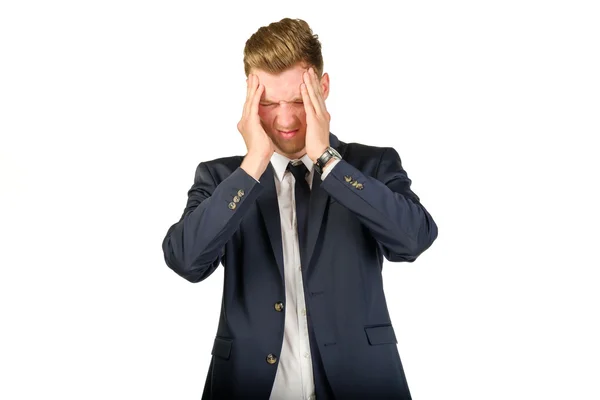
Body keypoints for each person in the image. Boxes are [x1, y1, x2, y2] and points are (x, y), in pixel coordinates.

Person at [162, 17, 438, 400]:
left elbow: (413, 240)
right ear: (249, 97)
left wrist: (328, 160)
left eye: (297, 100)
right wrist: (253, 165)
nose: (286, 119)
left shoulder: (370, 166)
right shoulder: (222, 178)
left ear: (322, 88)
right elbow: (185, 261)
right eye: (269, 103)